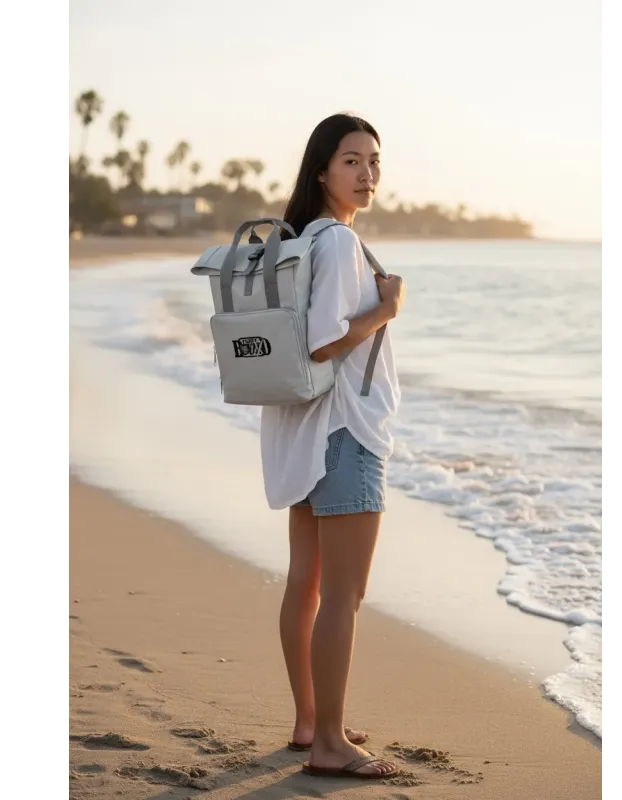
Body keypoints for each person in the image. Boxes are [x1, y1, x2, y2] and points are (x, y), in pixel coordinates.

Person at [260, 113, 406, 780]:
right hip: (344, 434)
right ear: (322, 169)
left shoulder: (304, 239)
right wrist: (383, 311)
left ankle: (309, 722)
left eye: (373, 161)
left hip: (303, 433)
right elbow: (324, 341)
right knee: (342, 594)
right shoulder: (341, 246)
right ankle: (330, 744)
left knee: (307, 584)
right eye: (352, 161)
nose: (367, 173)